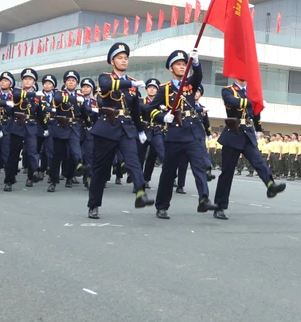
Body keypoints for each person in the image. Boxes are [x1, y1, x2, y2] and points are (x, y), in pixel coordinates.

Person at [86, 43, 154, 219]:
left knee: (133, 161)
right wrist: (131, 83)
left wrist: (140, 130)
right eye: (120, 58)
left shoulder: (132, 83)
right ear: (112, 61)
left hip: (126, 127)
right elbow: (107, 86)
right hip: (107, 127)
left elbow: (136, 110)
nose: (123, 61)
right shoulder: (105, 77)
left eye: (126, 58)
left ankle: (140, 193)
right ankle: (94, 204)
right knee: (101, 169)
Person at [148, 49, 218, 219]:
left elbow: (198, 76)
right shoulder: (165, 89)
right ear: (171, 68)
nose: (181, 67)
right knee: (169, 172)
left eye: (184, 64)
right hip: (175, 134)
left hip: (193, 132)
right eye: (178, 64)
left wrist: (196, 62)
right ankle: (162, 206)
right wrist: (163, 117)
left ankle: (204, 198)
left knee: (199, 167)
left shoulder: (190, 84)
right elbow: (150, 109)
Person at [212, 77, 285, 219]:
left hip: (248, 133)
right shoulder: (228, 90)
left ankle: (270, 185)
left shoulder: (251, 92)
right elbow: (233, 102)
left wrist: (258, 128)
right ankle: (219, 206)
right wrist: (254, 101)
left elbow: (255, 113)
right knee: (227, 172)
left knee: (259, 161)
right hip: (233, 134)